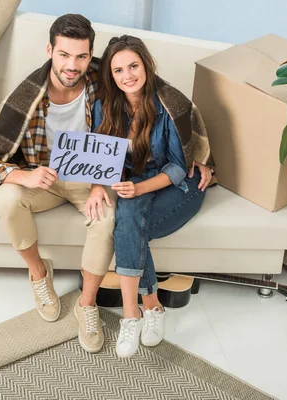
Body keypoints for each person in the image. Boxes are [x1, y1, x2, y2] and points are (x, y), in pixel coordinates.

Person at [0, 14, 116, 353]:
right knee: (8, 199)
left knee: (107, 219)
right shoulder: (27, 94)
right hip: (45, 177)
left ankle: (86, 303)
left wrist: (101, 181)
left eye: (81, 56)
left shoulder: (104, 80)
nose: (73, 65)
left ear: (91, 54)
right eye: (64, 55)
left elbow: (155, 95)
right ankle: (39, 273)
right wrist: (24, 175)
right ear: (50, 50)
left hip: (88, 177)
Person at [90, 35, 215, 357]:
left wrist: (140, 188)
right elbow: (100, 156)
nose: (127, 75)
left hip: (178, 185)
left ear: (146, 64)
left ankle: (146, 310)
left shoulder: (170, 103)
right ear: (111, 76)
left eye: (133, 66)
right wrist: (99, 184)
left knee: (130, 227)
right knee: (131, 222)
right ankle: (140, 311)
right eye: (118, 70)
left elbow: (179, 165)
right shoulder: (104, 106)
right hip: (134, 184)